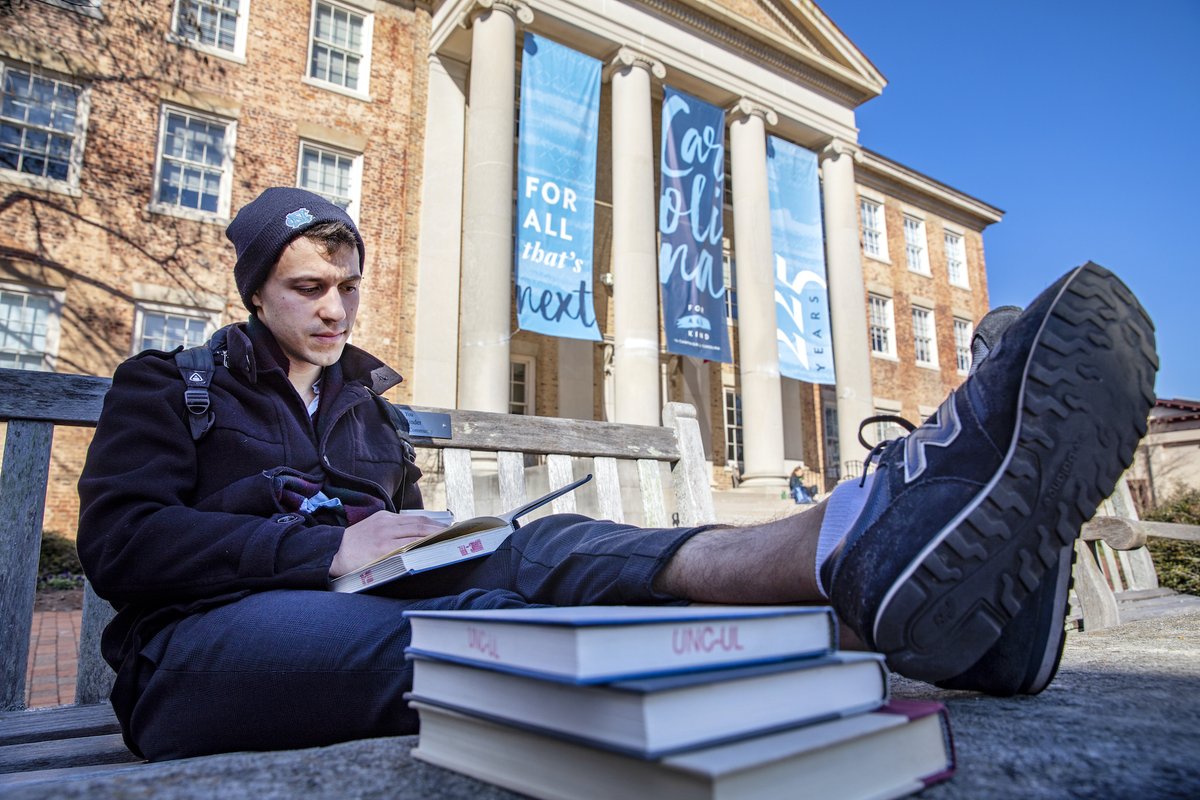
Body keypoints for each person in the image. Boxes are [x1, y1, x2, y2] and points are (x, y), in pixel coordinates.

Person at [77, 187, 1158, 760]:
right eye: (309, 286)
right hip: (200, 653)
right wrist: (324, 546)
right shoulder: (170, 386)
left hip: (375, 607)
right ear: (256, 290)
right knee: (478, 622)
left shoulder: (371, 411)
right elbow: (122, 548)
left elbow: (407, 548)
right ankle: (912, 617)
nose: (335, 309)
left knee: (537, 548)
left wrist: (425, 534)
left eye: (348, 286)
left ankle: (871, 545)